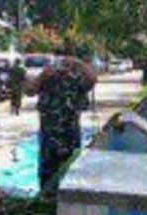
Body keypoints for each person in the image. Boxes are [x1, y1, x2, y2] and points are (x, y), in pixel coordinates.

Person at [26, 56, 97, 190]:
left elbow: (93, 79)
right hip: (49, 135)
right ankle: (47, 201)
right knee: (47, 172)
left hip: (70, 134)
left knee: (70, 172)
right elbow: (29, 91)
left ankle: (66, 201)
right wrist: (42, 75)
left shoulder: (76, 80)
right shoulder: (47, 79)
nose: (63, 66)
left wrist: (79, 63)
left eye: (66, 63)